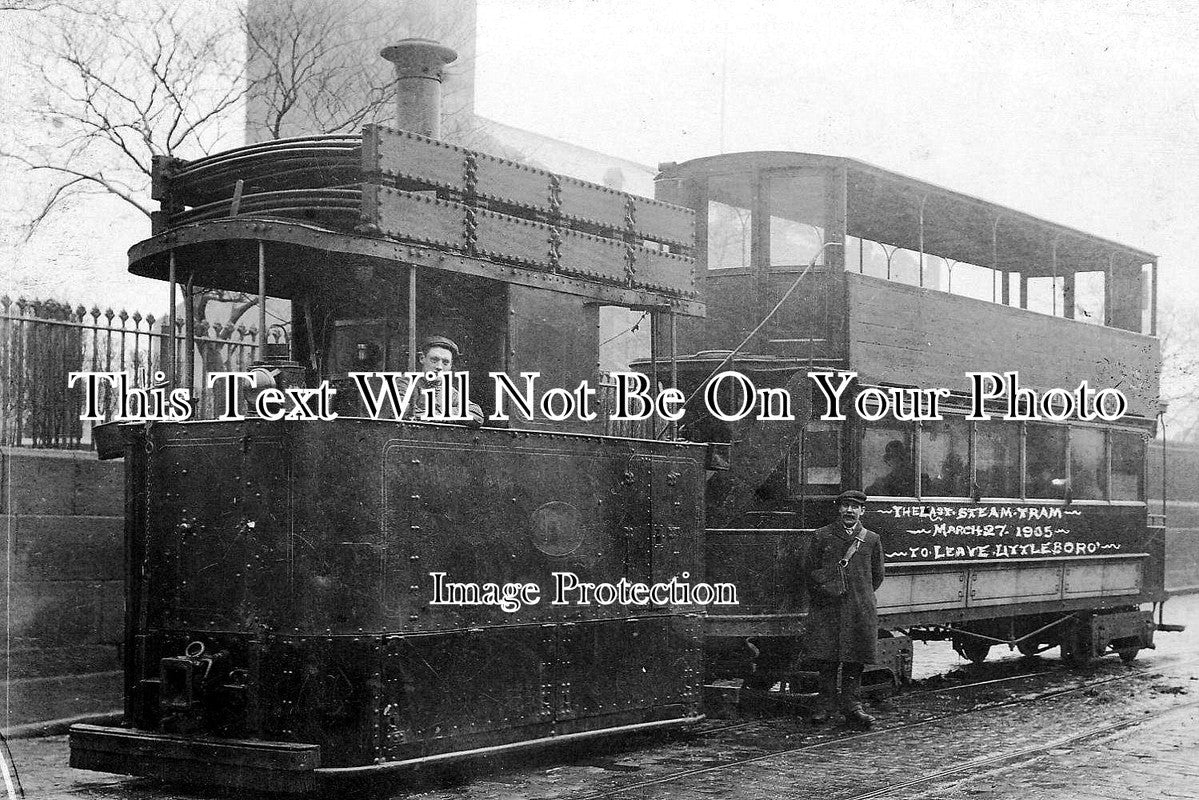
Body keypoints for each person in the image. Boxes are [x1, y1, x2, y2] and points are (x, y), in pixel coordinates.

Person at [802, 489, 885, 729]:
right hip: (828, 608)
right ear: (839, 509)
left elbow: (877, 576)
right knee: (826, 659)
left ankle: (852, 706)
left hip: (859, 608)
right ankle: (824, 705)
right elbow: (809, 572)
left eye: (854, 507)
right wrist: (827, 594)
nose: (849, 511)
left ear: (862, 511)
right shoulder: (822, 536)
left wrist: (859, 596)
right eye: (845, 506)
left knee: (854, 659)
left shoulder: (871, 539)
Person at [398, 335, 484, 425]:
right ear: (422, 359)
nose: (439, 367)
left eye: (445, 363)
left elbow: (477, 414)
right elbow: (403, 410)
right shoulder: (406, 383)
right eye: (434, 360)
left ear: (450, 366)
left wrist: (441, 415)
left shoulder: (449, 391)